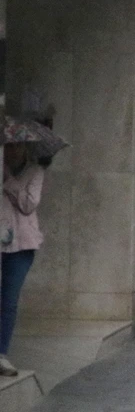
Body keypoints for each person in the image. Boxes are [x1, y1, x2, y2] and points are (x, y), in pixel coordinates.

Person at [0, 139, 49, 377]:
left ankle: (1, 354)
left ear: (26, 148)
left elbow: (29, 204)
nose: (13, 150)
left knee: (8, 301)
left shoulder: (35, 171)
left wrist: (8, 182)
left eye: (17, 146)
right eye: (8, 145)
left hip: (22, 247)